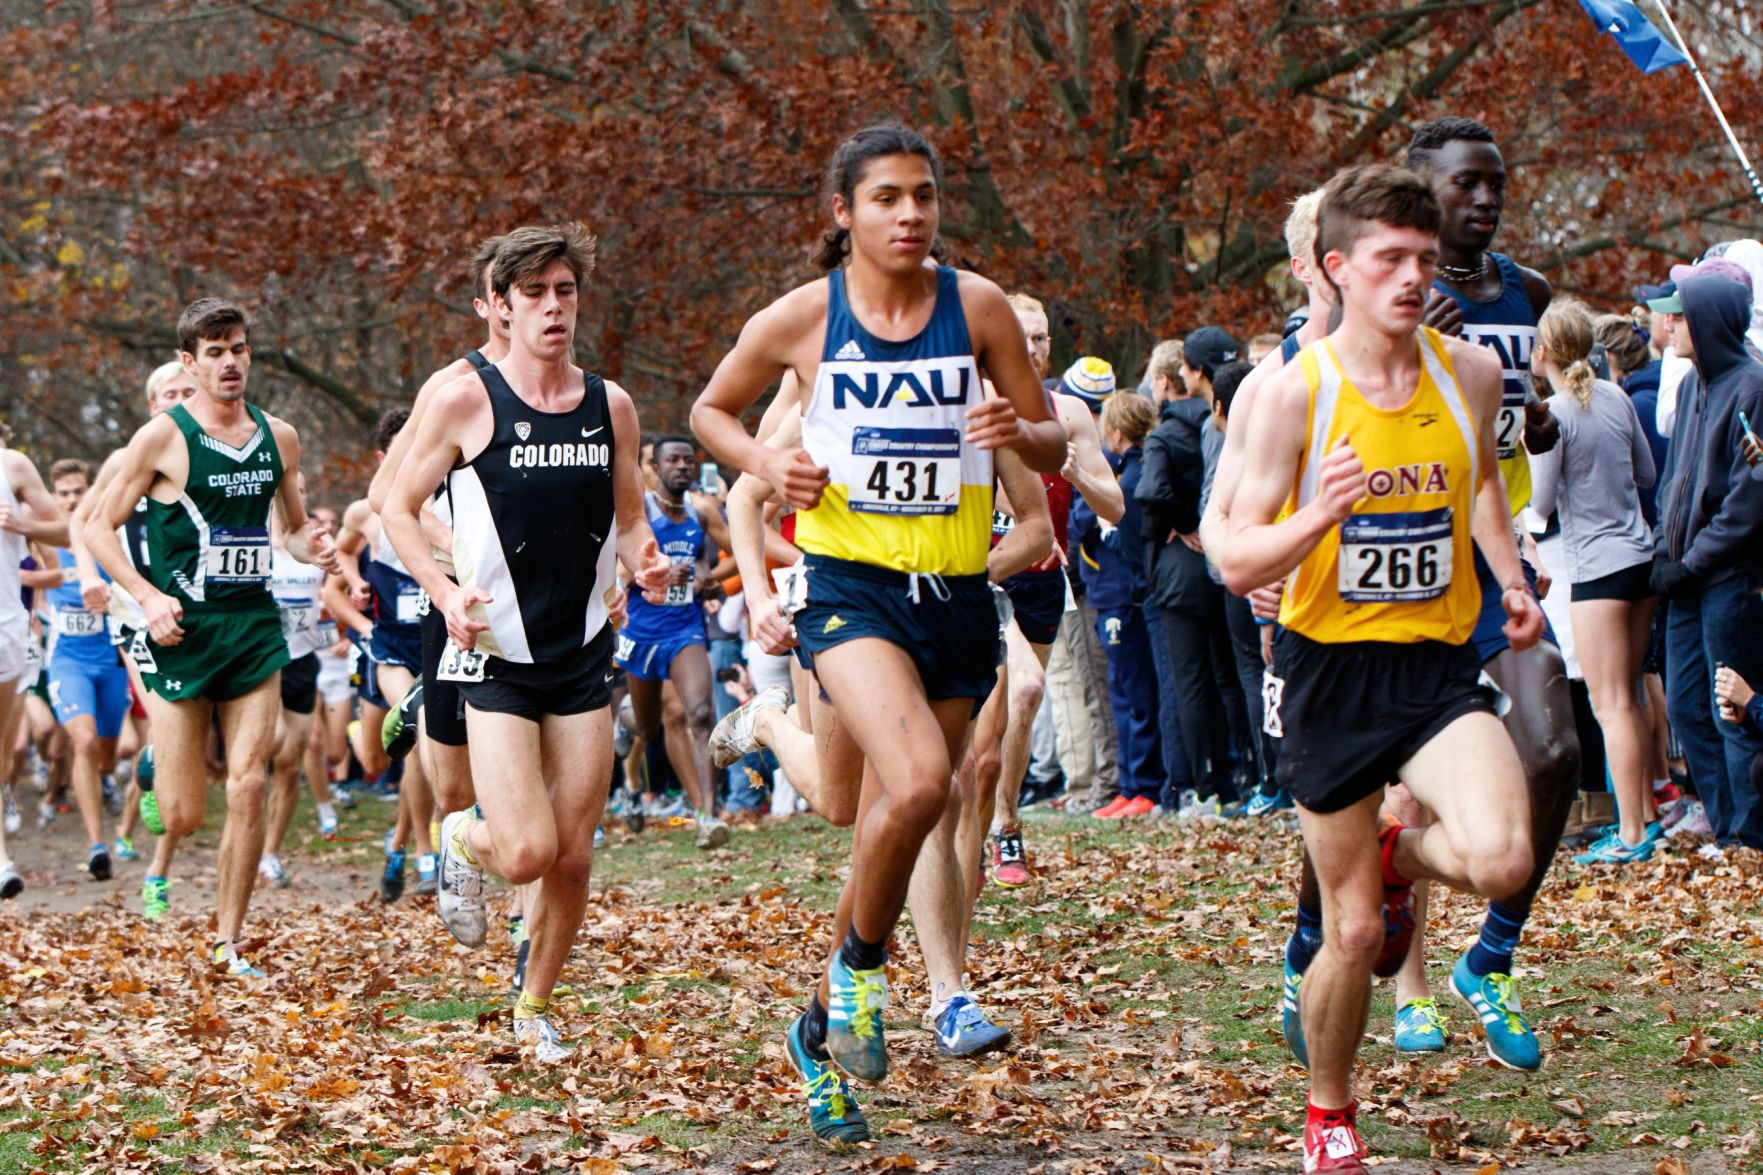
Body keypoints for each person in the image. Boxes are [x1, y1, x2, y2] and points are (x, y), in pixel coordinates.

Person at [691, 124, 1063, 1142]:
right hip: (850, 587)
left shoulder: (976, 307)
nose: (909, 214)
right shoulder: (804, 319)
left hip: (951, 593)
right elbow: (711, 412)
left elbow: (1048, 433)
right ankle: (861, 973)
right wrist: (772, 474)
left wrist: (1009, 431)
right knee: (920, 786)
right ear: (843, 212)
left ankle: (816, 1030)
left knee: (867, 811)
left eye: (924, 196)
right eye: (887, 197)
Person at [1219, 163, 1541, 1173]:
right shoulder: (1288, 393)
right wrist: (1318, 514)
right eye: (1388, 260)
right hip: (1327, 673)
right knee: (1352, 930)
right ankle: (1326, 1109)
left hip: (1436, 666)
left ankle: (1397, 851)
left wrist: (1510, 575)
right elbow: (1230, 554)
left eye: (1422, 259)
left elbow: (1480, 482)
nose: (1411, 277)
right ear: (1336, 269)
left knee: (1501, 858)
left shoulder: (1467, 375)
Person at [384, 223, 671, 1064]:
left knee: (574, 855)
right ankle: (461, 838)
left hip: (579, 652)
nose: (554, 308)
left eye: (565, 291)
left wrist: (643, 560)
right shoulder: (463, 397)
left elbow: (627, 517)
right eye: (535, 293)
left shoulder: (608, 404)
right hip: (495, 656)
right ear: (500, 307)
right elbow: (396, 506)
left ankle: (533, 1003)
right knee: (526, 849)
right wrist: (443, 593)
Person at [86, 297, 340, 975]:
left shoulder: (278, 435)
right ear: (188, 362)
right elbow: (96, 528)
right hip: (180, 633)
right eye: (215, 352)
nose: (230, 363)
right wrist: (147, 597)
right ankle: (151, 771)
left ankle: (227, 941)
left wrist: (308, 545)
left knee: (249, 783)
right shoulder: (162, 437)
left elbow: (286, 527)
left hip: (253, 626)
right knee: (181, 814)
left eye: (239, 349)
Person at [1400, 115, 1578, 1064]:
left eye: (1495, 183)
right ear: (1421, 188)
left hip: (1495, 565)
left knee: (1550, 748)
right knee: (1411, 788)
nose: (1485, 197)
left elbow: (1523, 421)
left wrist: (1535, 418)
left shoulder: (1527, 290)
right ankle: (1412, 987)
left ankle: (1492, 956)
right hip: (1397, 565)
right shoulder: (1392, 290)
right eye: (1466, 183)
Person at [985, 302, 1123, 885]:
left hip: (1043, 576)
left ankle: (1002, 816)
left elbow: (1114, 505)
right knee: (1018, 693)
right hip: (983, 571)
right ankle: (998, 829)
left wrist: (1073, 474)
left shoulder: (1068, 412)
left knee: (1017, 704)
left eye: (1041, 338)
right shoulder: (974, 406)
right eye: (1023, 337)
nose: (1034, 347)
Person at [1527, 299, 1659, 862]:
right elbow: (1647, 473)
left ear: (1544, 352)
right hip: (1640, 557)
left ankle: (1631, 835)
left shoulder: (1552, 414)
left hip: (1596, 568)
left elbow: (1537, 505)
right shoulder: (1618, 397)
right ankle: (1643, 818)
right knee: (1627, 696)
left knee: (1609, 705)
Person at [69, 359, 199, 917]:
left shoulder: (214, 456)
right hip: (135, 612)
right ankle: (155, 766)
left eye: (186, 392)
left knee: (186, 748)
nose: (177, 400)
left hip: (204, 616)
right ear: (153, 405)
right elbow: (83, 522)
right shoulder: (129, 458)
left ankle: (158, 855)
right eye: (167, 394)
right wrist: (85, 576)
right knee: (170, 723)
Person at [1651, 270, 1763, 856]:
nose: (1668, 323)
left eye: (1679, 312)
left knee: (1730, 709)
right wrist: (1661, 550)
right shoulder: (1695, 385)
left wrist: (1691, 562)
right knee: (1688, 709)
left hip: (1728, 579)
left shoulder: (1753, 388)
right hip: (1687, 579)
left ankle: (1749, 839)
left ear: (1709, 323)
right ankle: (1727, 831)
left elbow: (1750, 499)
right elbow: (1676, 480)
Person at [333, 408, 439, 894]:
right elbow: (332, 582)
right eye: (403, 448)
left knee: (417, 737)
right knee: (376, 763)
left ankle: (417, 850)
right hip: (389, 645)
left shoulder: (444, 505)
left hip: (434, 644)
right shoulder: (364, 513)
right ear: (383, 457)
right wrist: (356, 590)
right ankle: (359, 728)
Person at [1140, 326, 1243, 816]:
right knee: (1229, 675)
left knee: (1190, 680)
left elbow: (1151, 493)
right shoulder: (1225, 418)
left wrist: (1184, 524)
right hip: (1224, 563)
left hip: (1182, 570)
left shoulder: (1165, 435)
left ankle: (1202, 784)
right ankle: (1238, 775)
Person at [615, 436, 734, 850]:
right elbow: (618, 572)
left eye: (688, 459)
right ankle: (624, 719)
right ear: (656, 467)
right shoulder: (638, 512)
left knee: (699, 714)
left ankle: (708, 816)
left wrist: (704, 578)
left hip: (686, 630)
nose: (682, 466)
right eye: (673, 460)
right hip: (641, 633)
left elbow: (739, 550)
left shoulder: (702, 513)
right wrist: (655, 573)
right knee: (648, 729)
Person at [42, 459, 129, 881]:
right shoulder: (49, 539)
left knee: (107, 757)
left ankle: (104, 782)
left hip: (110, 660)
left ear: (90, 489)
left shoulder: (104, 532)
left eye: (79, 491)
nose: (73, 499)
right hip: (67, 659)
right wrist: (58, 575)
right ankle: (97, 844)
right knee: (85, 740)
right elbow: (27, 575)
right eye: (64, 493)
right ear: (54, 497)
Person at [1077, 393, 1160, 815]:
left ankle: (1144, 785)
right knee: (1121, 693)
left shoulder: (1131, 481)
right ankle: (1129, 786)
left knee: (1136, 693)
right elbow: (1078, 522)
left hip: (1123, 599)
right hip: (1108, 597)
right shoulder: (1121, 472)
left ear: (1116, 431)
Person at [260, 472, 341, 887]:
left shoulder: (318, 545)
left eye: (302, 491)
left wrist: (350, 582)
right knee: (269, 744)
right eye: (286, 491)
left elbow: (339, 585)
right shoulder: (254, 544)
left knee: (290, 765)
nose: (294, 497)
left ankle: (271, 854)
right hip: (262, 662)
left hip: (304, 660)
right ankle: (248, 838)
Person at [0, 444, 71, 898]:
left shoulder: (13, 465)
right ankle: (2, 858)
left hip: (4, 624)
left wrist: (22, 525)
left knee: (5, 752)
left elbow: (68, 532)